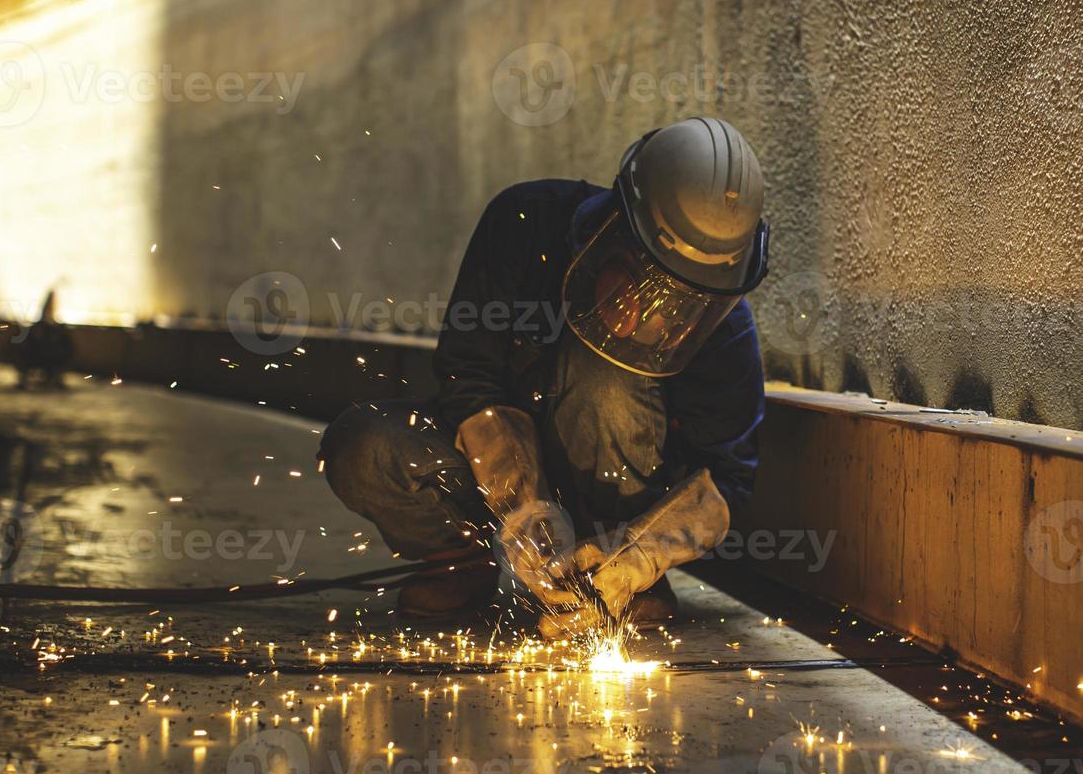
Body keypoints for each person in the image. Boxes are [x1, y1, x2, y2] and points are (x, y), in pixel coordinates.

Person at [320, 117, 769, 637]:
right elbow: (468, 379)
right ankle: (458, 562)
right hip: (492, 479)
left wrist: (634, 558)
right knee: (364, 447)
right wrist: (527, 510)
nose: (654, 316)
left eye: (681, 303)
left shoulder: (725, 329)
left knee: (609, 383)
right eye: (646, 283)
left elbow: (726, 478)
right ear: (616, 227)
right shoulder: (524, 223)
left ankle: (609, 586)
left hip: (619, 514)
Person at [14, 290, 73, 389]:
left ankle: (53, 377)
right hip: (37, 355)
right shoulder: (37, 328)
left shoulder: (58, 330)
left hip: (50, 356)